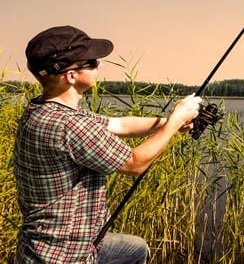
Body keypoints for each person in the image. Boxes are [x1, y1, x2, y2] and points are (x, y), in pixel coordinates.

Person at [13, 25, 201, 263]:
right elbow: (135, 163)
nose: (98, 65)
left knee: (135, 249)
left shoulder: (42, 110)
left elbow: (118, 124)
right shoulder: (71, 125)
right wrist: (175, 120)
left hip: (57, 243)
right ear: (71, 76)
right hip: (64, 254)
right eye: (91, 62)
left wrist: (167, 123)